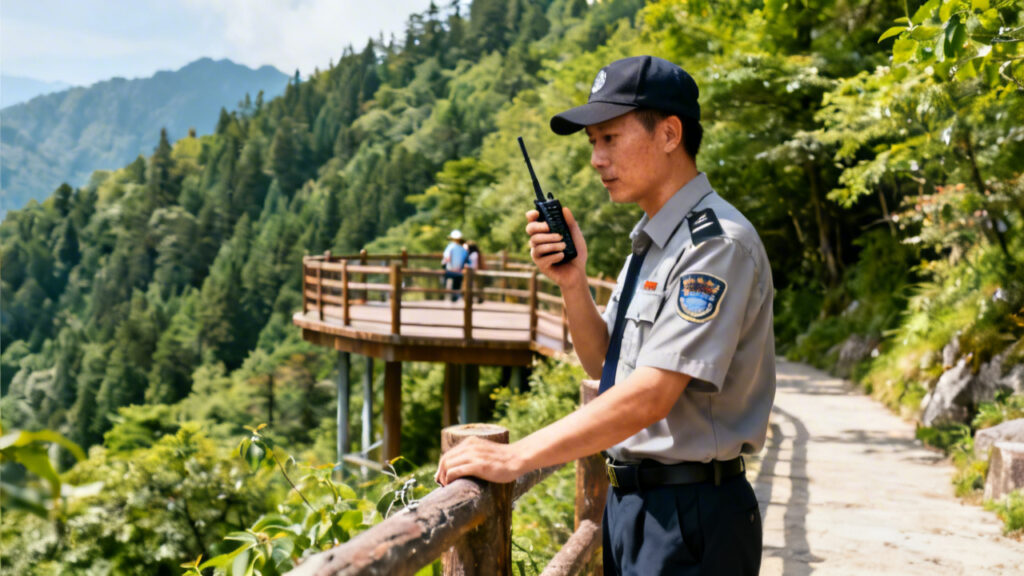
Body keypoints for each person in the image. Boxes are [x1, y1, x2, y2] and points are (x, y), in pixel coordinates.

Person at [435, 55, 775, 575]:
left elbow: (653, 394)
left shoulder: (716, 245)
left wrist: (515, 456)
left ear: (668, 134)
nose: (596, 159)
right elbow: (605, 368)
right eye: (592, 142)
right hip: (633, 508)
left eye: (609, 138)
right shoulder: (651, 241)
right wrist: (573, 283)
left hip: (692, 515)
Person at [441, 229, 468, 302]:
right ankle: (454, 297)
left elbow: (446, 258)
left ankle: (445, 295)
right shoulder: (462, 249)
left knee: (444, 280)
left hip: (449, 270)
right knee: (457, 284)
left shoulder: (450, 247)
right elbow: (465, 258)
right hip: (459, 271)